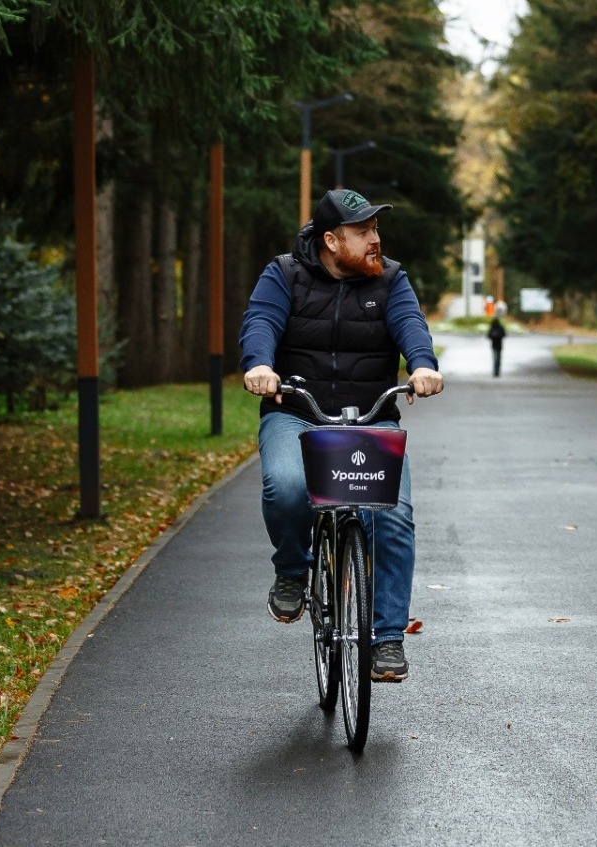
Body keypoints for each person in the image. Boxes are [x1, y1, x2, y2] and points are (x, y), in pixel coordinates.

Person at [239, 188, 444, 682]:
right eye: (363, 232)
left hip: (370, 417)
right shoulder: (284, 273)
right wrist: (261, 365)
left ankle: (388, 637)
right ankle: (292, 570)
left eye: (376, 229)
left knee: (392, 516)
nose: (375, 240)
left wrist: (422, 366)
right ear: (332, 240)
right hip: (297, 410)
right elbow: (261, 321)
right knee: (286, 486)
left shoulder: (391, 280)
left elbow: (411, 327)